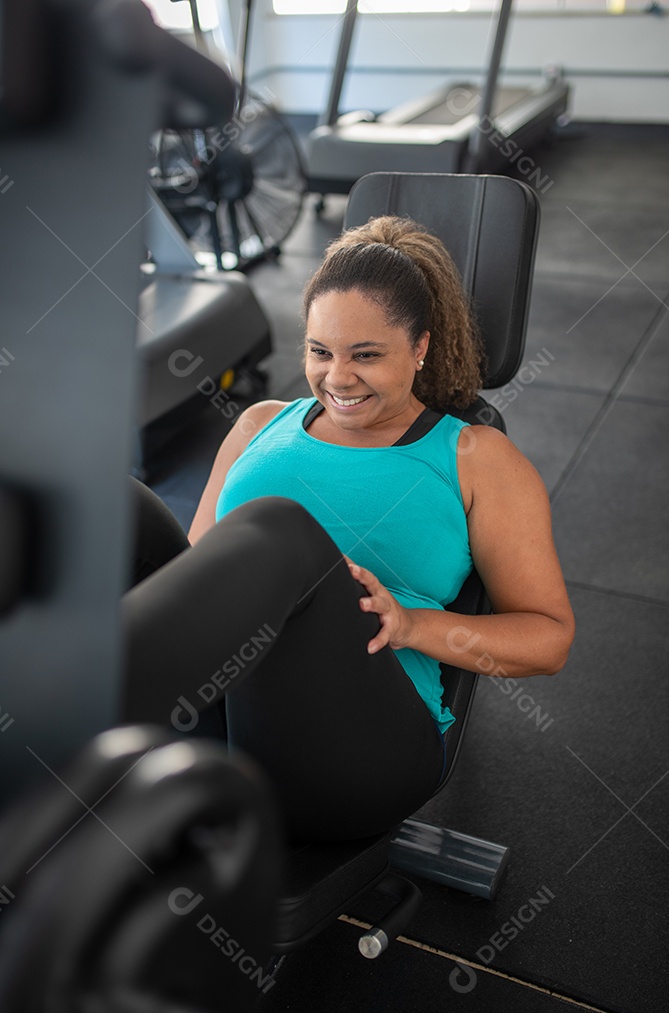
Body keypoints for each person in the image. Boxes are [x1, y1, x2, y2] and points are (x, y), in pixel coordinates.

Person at [122, 215, 574, 842]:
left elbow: (548, 640)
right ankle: (82, 704)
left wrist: (411, 625)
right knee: (125, 507)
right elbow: (197, 572)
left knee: (280, 534)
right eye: (319, 351)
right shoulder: (258, 424)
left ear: (419, 347)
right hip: (214, 709)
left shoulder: (477, 458)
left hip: (361, 746)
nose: (337, 378)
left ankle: (76, 707)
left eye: (366, 355)